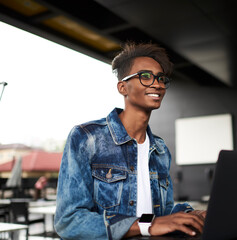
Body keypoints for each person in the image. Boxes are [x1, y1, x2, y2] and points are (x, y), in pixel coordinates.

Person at [54, 42, 206, 239]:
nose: (158, 84)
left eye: (161, 78)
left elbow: (162, 215)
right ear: (123, 87)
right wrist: (147, 226)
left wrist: (189, 215)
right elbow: (69, 221)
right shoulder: (86, 137)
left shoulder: (160, 149)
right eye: (145, 76)